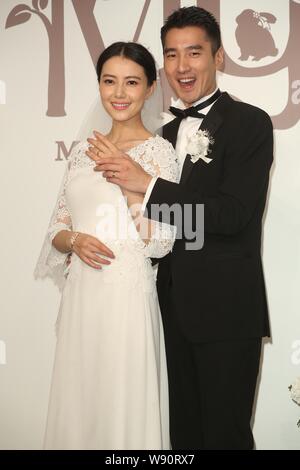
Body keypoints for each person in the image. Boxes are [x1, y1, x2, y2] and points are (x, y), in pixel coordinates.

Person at [89, 7, 274, 450]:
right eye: (171, 55)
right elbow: (165, 228)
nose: (182, 67)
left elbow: (234, 216)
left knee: (225, 438)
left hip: (227, 312)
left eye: (194, 53)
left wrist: (147, 186)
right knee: (182, 441)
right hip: (167, 311)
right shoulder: (161, 136)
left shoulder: (251, 123)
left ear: (219, 58)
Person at [34, 41, 179, 450]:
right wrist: (75, 240)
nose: (119, 93)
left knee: (124, 407)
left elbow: (162, 243)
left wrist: (132, 182)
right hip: (84, 298)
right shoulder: (82, 152)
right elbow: (56, 231)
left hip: (128, 301)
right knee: (82, 405)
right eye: (109, 81)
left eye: (131, 82)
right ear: (99, 85)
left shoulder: (160, 152)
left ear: (150, 88)